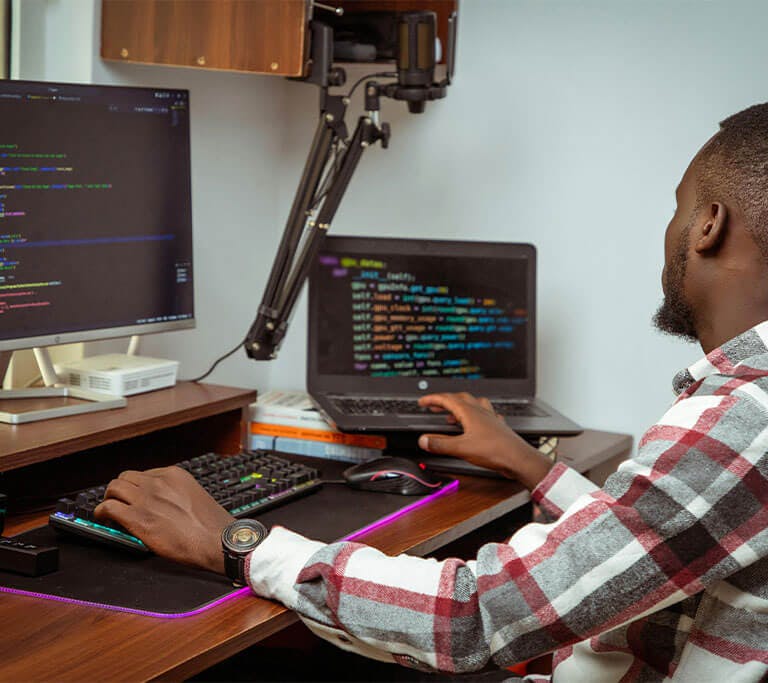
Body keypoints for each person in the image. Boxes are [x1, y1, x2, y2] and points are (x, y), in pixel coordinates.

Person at [94, 104, 768, 681]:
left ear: (707, 224)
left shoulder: (745, 419)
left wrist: (239, 539)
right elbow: (660, 538)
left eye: (677, 208)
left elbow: (476, 614)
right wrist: (534, 466)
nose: (671, 229)